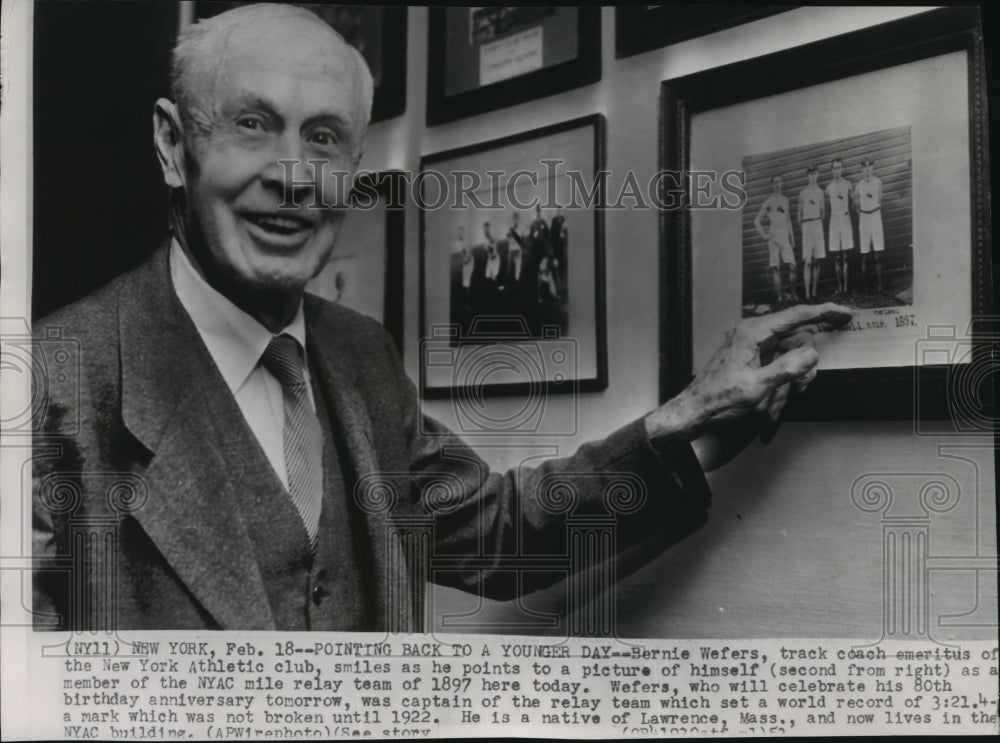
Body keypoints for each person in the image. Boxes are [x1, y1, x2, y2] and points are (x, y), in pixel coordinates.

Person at [31, 4, 851, 631]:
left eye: (324, 139)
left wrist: (687, 420)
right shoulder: (47, 379)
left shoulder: (358, 354)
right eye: (253, 124)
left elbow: (499, 534)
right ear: (174, 146)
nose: (292, 175)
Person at [754, 175, 798, 304]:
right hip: (773, 236)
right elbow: (756, 221)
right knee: (776, 268)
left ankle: (794, 294)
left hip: (784, 235)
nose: (778, 184)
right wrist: (764, 235)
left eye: (780, 182)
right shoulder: (768, 202)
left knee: (793, 265)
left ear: (782, 183)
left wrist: (792, 237)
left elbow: (788, 219)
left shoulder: (785, 200)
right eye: (775, 182)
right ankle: (780, 298)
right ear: (772, 185)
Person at [856, 159, 885, 293]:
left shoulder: (878, 183)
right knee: (864, 254)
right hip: (864, 217)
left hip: (875, 216)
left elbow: (879, 201)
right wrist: (864, 213)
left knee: (878, 253)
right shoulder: (858, 186)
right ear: (862, 170)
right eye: (864, 167)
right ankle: (865, 287)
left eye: (869, 167)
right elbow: (857, 206)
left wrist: (873, 211)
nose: (867, 170)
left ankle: (879, 286)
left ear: (872, 168)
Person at [826, 157, 854, 294]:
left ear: (842, 169)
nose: (837, 171)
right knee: (837, 256)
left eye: (839, 168)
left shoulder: (848, 184)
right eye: (834, 168)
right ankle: (839, 287)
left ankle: (846, 287)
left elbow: (852, 202)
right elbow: (827, 207)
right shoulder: (829, 188)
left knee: (845, 255)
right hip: (834, 221)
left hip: (845, 219)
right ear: (832, 170)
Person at [798, 166, 826, 300]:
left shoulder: (821, 192)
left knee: (817, 260)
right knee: (807, 261)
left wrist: (817, 223)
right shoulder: (802, 193)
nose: (812, 176)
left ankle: (814, 290)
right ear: (807, 176)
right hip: (807, 226)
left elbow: (823, 213)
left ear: (818, 175)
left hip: (817, 224)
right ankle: (807, 293)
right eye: (809, 174)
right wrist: (805, 227)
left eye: (814, 174)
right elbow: (799, 215)